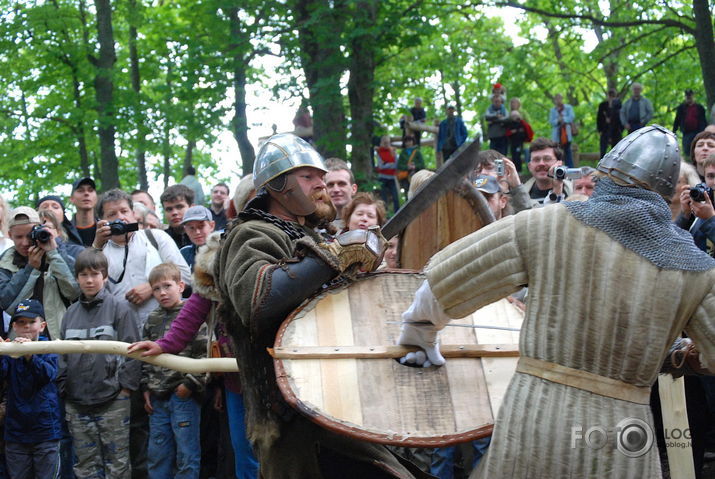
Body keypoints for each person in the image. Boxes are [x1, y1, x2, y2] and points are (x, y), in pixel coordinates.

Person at [397, 125, 715, 478]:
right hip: (625, 434)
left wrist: (419, 333)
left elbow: (448, 280)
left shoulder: (547, 224)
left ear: (607, 173)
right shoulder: (696, 267)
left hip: (536, 419)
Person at [215, 133, 425, 478]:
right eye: (308, 176)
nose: (321, 183)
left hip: (337, 401)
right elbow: (257, 298)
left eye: (322, 177)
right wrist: (334, 256)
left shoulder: (312, 235)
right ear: (279, 184)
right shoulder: (251, 233)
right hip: (291, 414)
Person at [128, 233, 260, 479]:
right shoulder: (210, 277)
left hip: (270, 373)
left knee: (276, 448)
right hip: (234, 380)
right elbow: (191, 316)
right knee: (243, 448)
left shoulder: (263, 264)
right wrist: (163, 346)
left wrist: (190, 382)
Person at [60, 248, 140, 479]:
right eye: (83, 275)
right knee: (85, 466)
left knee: (118, 465)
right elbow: (62, 357)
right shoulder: (70, 313)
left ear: (104, 277)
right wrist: (64, 388)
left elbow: (133, 352)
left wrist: (125, 390)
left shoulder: (120, 308)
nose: (89, 280)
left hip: (113, 401)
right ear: (77, 278)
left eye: (95, 274)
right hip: (76, 402)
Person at [140, 263, 207, 479]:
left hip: (184, 395)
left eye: (167, 286)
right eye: (156, 289)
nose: (162, 293)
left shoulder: (193, 314)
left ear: (181, 286)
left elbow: (205, 354)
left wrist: (189, 385)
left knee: (187, 453)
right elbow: (144, 357)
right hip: (158, 396)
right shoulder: (152, 319)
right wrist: (145, 387)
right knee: (157, 452)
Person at [1, 299, 62, 479]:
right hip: (15, 434)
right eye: (21, 322)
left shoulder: (50, 347)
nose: (26, 327)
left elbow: (47, 375)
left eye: (31, 322)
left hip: (46, 433)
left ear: (42, 326)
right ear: (14, 326)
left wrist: (29, 355)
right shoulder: (8, 350)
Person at [0, 207, 79, 340]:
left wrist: (53, 253)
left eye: (29, 235)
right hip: (22, 343)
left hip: (60, 339)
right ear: (9, 234)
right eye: (18, 237)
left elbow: (74, 291)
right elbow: (8, 305)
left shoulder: (60, 254)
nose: (24, 243)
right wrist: (31, 268)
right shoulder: (4, 264)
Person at [522, 137, 572, 206]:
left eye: (547, 159)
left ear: (559, 163)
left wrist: (557, 189)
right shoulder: (520, 196)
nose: (541, 163)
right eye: (536, 160)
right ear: (529, 166)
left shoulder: (574, 191)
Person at [324, 158, 358, 231]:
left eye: (342, 184)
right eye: (330, 185)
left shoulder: (367, 220)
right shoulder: (314, 225)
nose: (336, 190)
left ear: (353, 189)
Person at [179, 205, 215, 270]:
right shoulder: (183, 254)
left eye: (201, 226)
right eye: (191, 228)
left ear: (211, 226)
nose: (197, 232)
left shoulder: (222, 250)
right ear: (185, 230)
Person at [673, 89, 707, 156]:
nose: (689, 97)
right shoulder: (681, 108)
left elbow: (703, 121)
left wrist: (704, 132)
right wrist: (674, 131)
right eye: (687, 96)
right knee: (687, 151)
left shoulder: (700, 107)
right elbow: (677, 120)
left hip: (698, 132)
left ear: (693, 96)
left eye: (690, 96)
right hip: (686, 133)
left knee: (698, 150)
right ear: (685, 97)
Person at [160, 184, 195, 249]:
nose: (174, 213)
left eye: (179, 207)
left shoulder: (205, 238)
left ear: (192, 208)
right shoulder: (160, 240)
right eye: (169, 209)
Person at [69, 177, 99, 247]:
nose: (86, 193)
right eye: (80, 191)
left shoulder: (106, 230)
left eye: (90, 190)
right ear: (71, 199)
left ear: (96, 198)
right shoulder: (64, 233)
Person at [375, 135, 401, 214]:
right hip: (382, 177)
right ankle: (384, 214)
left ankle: (398, 213)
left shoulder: (393, 152)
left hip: (392, 177)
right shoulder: (379, 152)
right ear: (381, 143)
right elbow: (381, 166)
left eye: (388, 143)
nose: (387, 144)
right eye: (385, 143)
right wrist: (390, 164)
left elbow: (396, 165)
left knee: (395, 197)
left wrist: (386, 163)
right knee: (383, 198)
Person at [549, 94, 575, 168]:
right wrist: (558, 120)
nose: (558, 100)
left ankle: (570, 168)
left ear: (562, 98)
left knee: (568, 151)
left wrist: (563, 119)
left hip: (566, 133)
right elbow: (551, 121)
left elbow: (571, 117)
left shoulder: (568, 108)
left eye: (559, 98)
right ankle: (558, 168)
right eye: (556, 98)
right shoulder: (553, 110)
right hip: (556, 134)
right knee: (557, 152)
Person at [596, 88, 623, 158]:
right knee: (603, 151)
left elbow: (621, 119)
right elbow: (599, 118)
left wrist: (620, 130)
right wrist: (600, 130)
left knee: (616, 151)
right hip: (605, 130)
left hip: (616, 131)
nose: (611, 98)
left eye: (613, 96)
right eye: (610, 95)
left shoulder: (619, 105)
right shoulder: (602, 105)